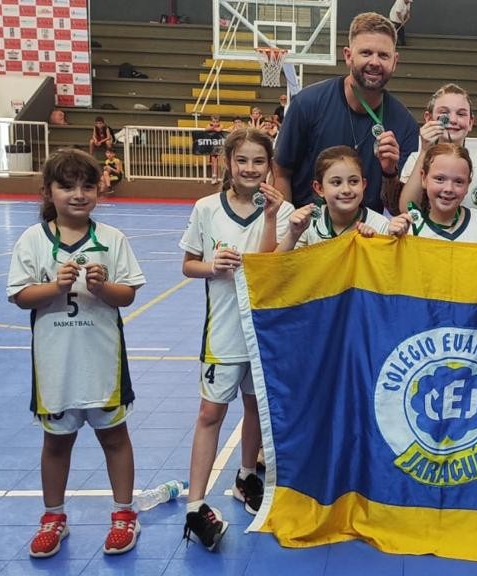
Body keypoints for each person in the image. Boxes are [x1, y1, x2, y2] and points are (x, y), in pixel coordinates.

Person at [7, 149, 146, 559]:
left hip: (102, 364)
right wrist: (55, 287)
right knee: (56, 444)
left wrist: (102, 287)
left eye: (87, 186)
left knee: (115, 438)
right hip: (56, 366)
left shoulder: (112, 239)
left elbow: (128, 294)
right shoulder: (32, 240)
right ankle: (54, 517)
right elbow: (20, 296)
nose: (78, 194)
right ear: (48, 192)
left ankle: (124, 513)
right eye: (67, 186)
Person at [180, 127, 293, 551]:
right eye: (242, 160)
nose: (249, 168)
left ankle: (246, 476)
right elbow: (188, 265)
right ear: (228, 162)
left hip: (263, 331)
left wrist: (271, 217)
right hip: (224, 331)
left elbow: (270, 267)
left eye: (258, 161)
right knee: (210, 412)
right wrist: (212, 267)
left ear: (269, 166)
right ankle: (195, 504)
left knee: (255, 408)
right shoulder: (206, 208)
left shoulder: (282, 210)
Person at [274, 12, 420, 212]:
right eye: (366, 53)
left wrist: (389, 172)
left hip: (366, 229)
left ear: (394, 61)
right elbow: (281, 172)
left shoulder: (405, 125)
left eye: (383, 55)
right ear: (348, 56)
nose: (375, 62)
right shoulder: (307, 104)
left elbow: (398, 208)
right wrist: (287, 226)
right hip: (308, 226)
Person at [389, 143, 477, 249]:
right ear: (424, 178)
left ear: (468, 184)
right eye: (440, 179)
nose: (449, 189)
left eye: (458, 182)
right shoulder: (408, 229)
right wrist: (392, 241)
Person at [395, 83, 477, 214]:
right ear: (429, 118)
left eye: (461, 114)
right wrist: (425, 151)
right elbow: (406, 209)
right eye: (444, 113)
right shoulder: (416, 159)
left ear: (471, 122)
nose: (453, 120)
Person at [278, 146, 391, 251]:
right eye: (336, 182)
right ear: (319, 188)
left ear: (363, 184)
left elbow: (389, 264)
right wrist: (293, 235)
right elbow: (280, 263)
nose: (346, 190)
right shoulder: (307, 222)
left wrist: (375, 245)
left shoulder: (380, 225)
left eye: (354, 181)